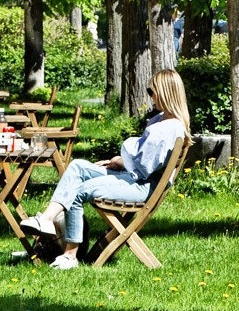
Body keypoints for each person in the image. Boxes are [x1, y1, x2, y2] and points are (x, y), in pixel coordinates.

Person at [21, 68, 190, 270]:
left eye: (151, 91)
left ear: (165, 92)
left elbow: (144, 167)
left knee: (80, 190)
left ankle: (70, 255)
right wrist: (120, 162)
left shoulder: (168, 128)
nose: (150, 96)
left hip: (141, 186)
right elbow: (145, 161)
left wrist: (121, 160)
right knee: (77, 167)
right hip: (135, 177)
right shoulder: (164, 121)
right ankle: (47, 219)